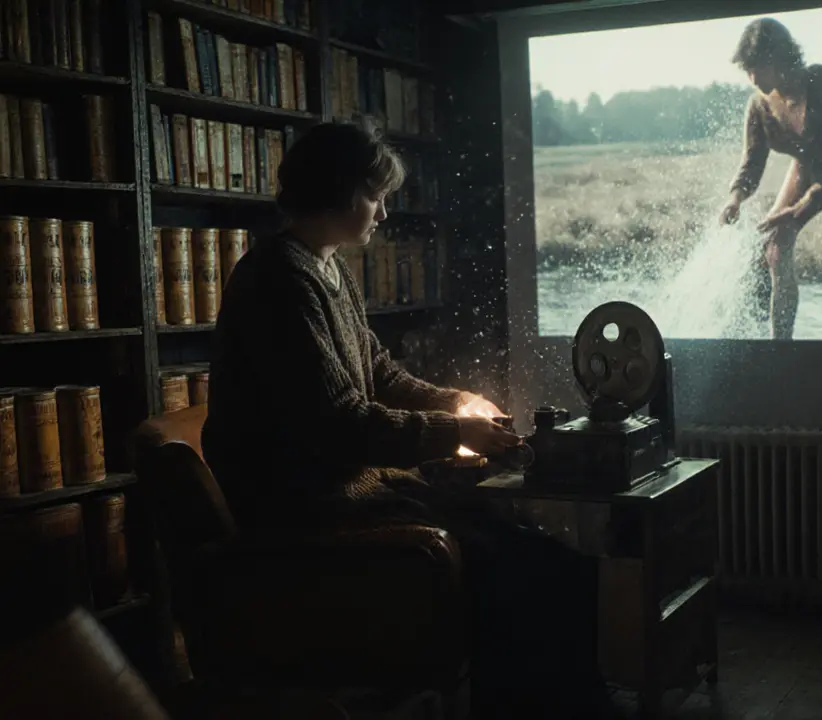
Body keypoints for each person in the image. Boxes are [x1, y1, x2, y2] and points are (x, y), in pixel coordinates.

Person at [201, 120, 614, 719]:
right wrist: (458, 434)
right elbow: (340, 425)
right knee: (522, 569)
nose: (384, 213)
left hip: (358, 492)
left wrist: (458, 402)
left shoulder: (328, 268)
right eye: (377, 197)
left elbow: (382, 375)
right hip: (314, 508)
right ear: (342, 193)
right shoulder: (278, 282)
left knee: (551, 559)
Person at [719, 17, 822, 340]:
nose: (751, 77)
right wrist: (734, 198)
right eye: (746, 69)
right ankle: (750, 334)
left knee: (780, 238)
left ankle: (783, 348)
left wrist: (812, 199)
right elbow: (752, 161)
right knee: (767, 245)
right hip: (806, 167)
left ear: (775, 58)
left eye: (756, 67)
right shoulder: (758, 106)